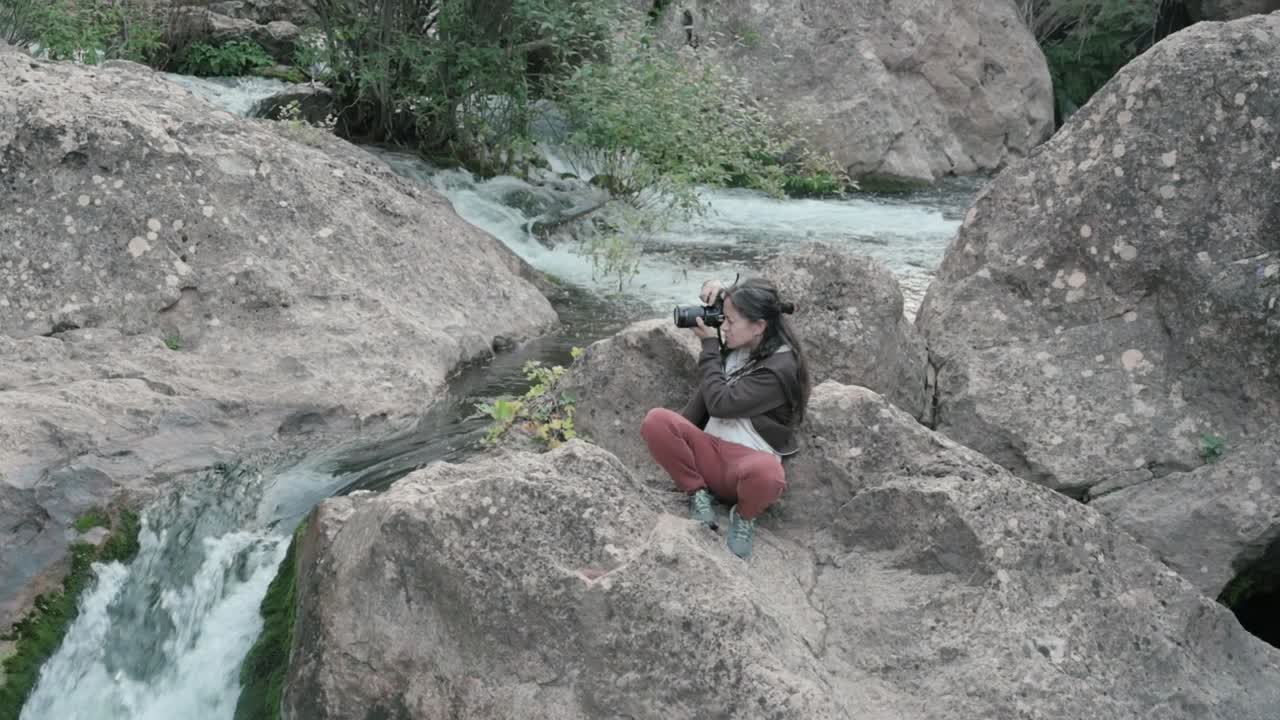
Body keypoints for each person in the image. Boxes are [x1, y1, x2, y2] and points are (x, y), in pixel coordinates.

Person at [640, 277, 812, 559]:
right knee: (656, 421)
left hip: (744, 468)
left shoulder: (782, 367)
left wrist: (709, 345)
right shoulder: (744, 341)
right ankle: (696, 493)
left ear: (759, 326)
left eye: (730, 322)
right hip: (708, 452)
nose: (723, 326)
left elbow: (721, 403)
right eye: (724, 319)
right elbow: (749, 305)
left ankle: (743, 516)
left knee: (770, 474)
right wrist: (717, 289)